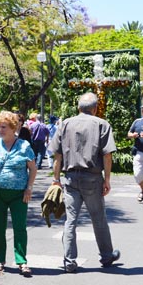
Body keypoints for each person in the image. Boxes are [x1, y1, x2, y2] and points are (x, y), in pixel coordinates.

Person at [49, 92, 121, 273]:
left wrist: (56, 179)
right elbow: (107, 154)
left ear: (78, 108)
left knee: (70, 220)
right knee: (98, 218)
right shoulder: (101, 124)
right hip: (92, 177)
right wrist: (107, 180)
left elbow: (57, 155)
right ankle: (106, 256)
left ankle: (70, 261)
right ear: (95, 108)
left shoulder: (65, 124)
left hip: (70, 178)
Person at [0, 111, 36, 276]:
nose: (0, 130)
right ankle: (0, 260)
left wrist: (29, 188)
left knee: (20, 227)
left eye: (4, 127)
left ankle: (21, 261)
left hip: (18, 194)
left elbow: (32, 168)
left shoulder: (24, 146)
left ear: (13, 128)